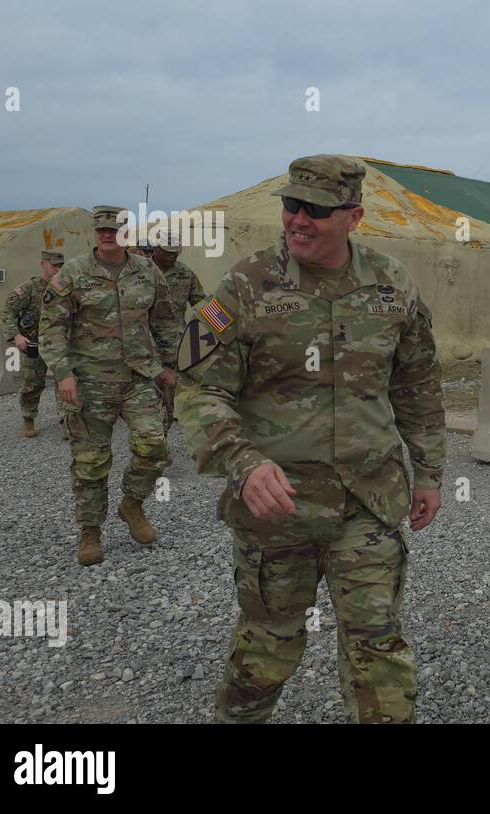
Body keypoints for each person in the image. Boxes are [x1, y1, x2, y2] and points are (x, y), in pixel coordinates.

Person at [175, 155, 446, 724]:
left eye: (316, 210)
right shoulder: (246, 286)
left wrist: (429, 474)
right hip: (276, 508)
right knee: (269, 644)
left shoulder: (393, 285)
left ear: (354, 217)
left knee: (377, 643)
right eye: (290, 205)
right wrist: (242, 461)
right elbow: (197, 388)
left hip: (367, 502)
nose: (297, 219)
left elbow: (417, 385)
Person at [39, 205, 178, 566]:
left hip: (138, 378)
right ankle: (90, 532)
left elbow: (164, 320)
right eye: (100, 229)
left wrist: (168, 365)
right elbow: (51, 327)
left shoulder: (148, 272)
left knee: (154, 446)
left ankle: (131, 505)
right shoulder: (73, 273)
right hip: (89, 383)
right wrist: (63, 372)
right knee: (90, 462)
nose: (106, 234)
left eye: (113, 229)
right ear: (95, 232)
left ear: (126, 234)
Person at [1, 250, 63, 437]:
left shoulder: (63, 287)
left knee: (65, 382)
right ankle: (28, 418)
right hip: (33, 345)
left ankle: (67, 421)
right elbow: (7, 314)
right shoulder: (27, 289)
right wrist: (16, 336)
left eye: (61, 265)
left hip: (59, 344)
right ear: (43, 264)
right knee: (32, 383)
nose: (58, 269)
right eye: (54, 265)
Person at [151, 236, 206, 431]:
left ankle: (159, 434)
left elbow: (201, 303)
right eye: (166, 253)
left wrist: (223, 327)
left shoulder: (185, 273)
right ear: (155, 249)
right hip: (143, 342)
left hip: (173, 343)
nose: (170, 258)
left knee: (168, 387)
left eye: (175, 254)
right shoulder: (140, 271)